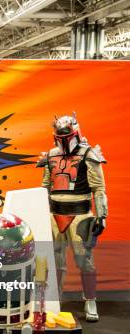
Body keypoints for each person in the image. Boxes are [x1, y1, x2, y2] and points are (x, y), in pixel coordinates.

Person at [37, 113, 107, 322]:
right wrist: (39, 211)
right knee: (55, 260)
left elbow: (99, 188)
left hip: (80, 213)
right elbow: (45, 187)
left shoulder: (89, 154)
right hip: (54, 213)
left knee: (84, 260)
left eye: (67, 137)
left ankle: (90, 299)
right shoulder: (51, 155)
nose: (64, 141)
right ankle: (55, 298)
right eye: (60, 137)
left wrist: (102, 216)